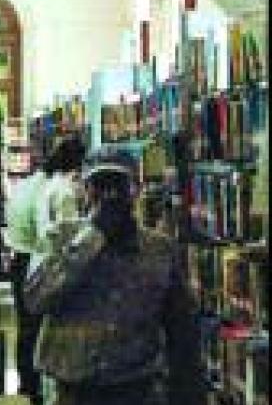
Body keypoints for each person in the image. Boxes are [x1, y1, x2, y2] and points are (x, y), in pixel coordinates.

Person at [25, 148, 207, 405]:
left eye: (118, 187)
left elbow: (181, 328)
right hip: (74, 390)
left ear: (135, 191)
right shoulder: (58, 238)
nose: (109, 197)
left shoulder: (159, 249)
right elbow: (36, 298)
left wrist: (188, 390)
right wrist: (92, 236)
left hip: (137, 388)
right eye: (100, 186)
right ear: (85, 190)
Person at [5, 135, 86, 405]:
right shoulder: (56, 189)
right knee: (38, 328)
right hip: (34, 259)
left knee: (26, 327)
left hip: (22, 257)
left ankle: (27, 384)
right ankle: (36, 386)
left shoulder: (31, 184)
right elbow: (57, 235)